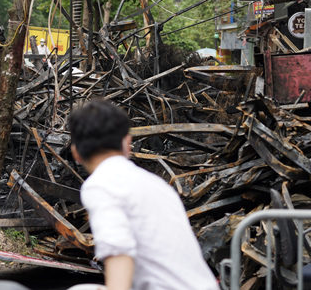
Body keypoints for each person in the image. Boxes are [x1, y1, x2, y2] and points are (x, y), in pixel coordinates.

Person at [68, 100, 218, 290]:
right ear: (127, 143)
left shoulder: (101, 184)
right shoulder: (157, 185)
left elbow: (119, 251)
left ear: (76, 153)